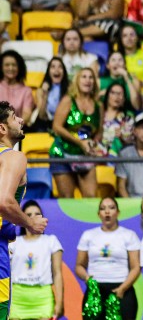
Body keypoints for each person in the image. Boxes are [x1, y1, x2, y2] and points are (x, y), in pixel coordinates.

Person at [0, 101, 49, 319]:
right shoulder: (13, 156)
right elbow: (4, 201)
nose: (21, 120)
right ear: (2, 128)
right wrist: (30, 223)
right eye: (14, 117)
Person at [76, 197, 141, 320]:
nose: (107, 212)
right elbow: (79, 265)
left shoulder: (129, 235)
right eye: (102, 208)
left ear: (118, 213)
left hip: (122, 289)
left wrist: (122, 289)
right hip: (95, 290)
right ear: (98, 214)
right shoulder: (88, 235)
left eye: (111, 208)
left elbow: (136, 267)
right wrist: (87, 278)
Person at [50, 68, 103, 198]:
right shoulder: (68, 100)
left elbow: (99, 131)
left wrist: (93, 144)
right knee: (67, 198)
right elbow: (56, 127)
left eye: (91, 77)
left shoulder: (99, 105)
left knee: (91, 198)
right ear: (77, 81)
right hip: (62, 153)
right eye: (84, 77)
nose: (88, 80)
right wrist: (80, 142)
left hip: (85, 155)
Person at [8, 200, 64, 320]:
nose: (33, 218)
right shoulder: (13, 242)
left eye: (37, 214)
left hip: (43, 298)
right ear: (21, 218)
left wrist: (59, 302)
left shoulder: (51, 241)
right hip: (17, 298)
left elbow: (57, 274)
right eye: (28, 215)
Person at [33, 57, 69, 132]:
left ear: (64, 71)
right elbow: (41, 116)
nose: (57, 70)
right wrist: (45, 94)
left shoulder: (70, 89)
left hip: (64, 124)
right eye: (53, 67)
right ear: (48, 71)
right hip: (45, 124)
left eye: (60, 67)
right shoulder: (40, 90)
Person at [101, 82, 135, 157]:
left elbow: (131, 142)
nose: (116, 96)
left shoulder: (127, 117)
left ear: (124, 98)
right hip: (98, 155)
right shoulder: (99, 113)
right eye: (113, 93)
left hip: (120, 156)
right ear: (107, 95)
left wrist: (122, 137)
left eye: (120, 94)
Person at [0, 50, 34, 124]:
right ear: (1, 67)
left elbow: (26, 116)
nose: (11, 68)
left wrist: (12, 127)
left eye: (14, 65)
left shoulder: (26, 91)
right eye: (7, 65)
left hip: (15, 131)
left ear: (19, 68)